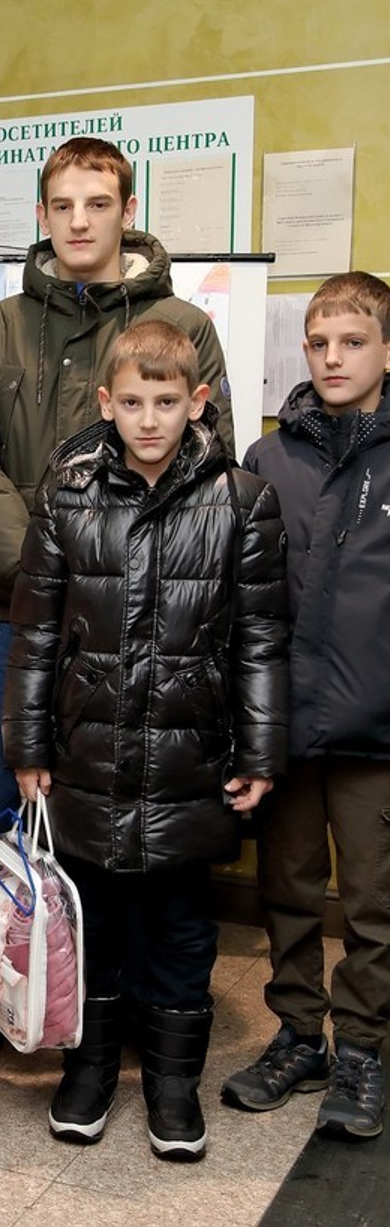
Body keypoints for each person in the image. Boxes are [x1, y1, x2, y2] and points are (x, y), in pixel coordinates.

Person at [0, 134, 238, 1061]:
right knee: (1, 804)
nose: (78, 221)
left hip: (146, 621)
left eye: (96, 204)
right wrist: (45, 562)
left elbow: (205, 457)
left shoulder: (182, 323)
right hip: (19, 615)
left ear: (126, 211)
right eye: (62, 205)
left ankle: (131, 1001)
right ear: (42, 214)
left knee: (130, 811)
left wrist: (108, 569)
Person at [3, 319, 288, 1160]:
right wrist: (27, 747)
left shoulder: (243, 502)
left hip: (190, 760)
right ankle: (86, 1074)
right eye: (133, 402)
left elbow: (262, 640)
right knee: (92, 923)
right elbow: (36, 636)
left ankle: (173, 1088)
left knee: (180, 930)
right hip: (86, 755)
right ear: (106, 404)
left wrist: (261, 755)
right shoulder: (67, 495)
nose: (151, 418)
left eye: (168, 401)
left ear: (198, 401)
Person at [220, 272, 390, 1141]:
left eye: (352, 342)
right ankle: (298, 1034)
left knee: (370, 898)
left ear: (386, 351)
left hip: (377, 727)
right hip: (286, 717)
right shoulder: (269, 457)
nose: (331, 357)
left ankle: (362, 1046)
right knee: (287, 885)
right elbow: (245, 594)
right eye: (318, 342)